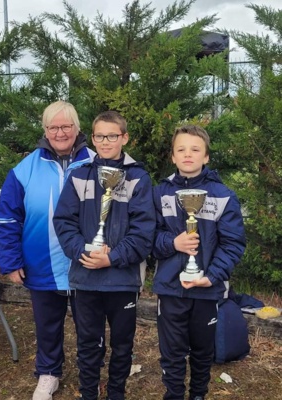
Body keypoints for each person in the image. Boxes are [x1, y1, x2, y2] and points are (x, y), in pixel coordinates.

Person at [0, 100, 95, 400]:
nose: (60, 132)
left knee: (90, 327)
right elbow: (7, 217)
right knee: (47, 326)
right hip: (42, 263)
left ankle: (92, 372)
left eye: (66, 126)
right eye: (53, 127)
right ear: (45, 130)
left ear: (77, 127)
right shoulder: (25, 169)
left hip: (87, 264)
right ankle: (48, 373)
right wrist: (10, 261)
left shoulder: (97, 161)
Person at [53, 110, 156, 400]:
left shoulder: (138, 179)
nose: (105, 141)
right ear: (92, 138)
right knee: (88, 343)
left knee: (122, 344)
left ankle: (116, 393)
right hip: (85, 277)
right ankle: (89, 394)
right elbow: (63, 222)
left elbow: (144, 231)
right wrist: (82, 250)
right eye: (99, 136)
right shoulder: (79, 175)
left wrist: (113, 257)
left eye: (112, 135)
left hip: (122, 279)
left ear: (124, 137)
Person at [152, 125, 246, 400]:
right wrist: (173, 243)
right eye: (181, 149)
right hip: (171, 287)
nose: (188, 155)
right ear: (172, 156)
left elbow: (233, 243)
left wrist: (213, 275)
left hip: (206, 288)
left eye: (195, 149)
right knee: (171, 351)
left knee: (203, 350)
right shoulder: (160, 193)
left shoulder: (223, 194)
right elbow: (149, 237)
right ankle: (174, 395)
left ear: (206, 157)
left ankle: (198, 394)